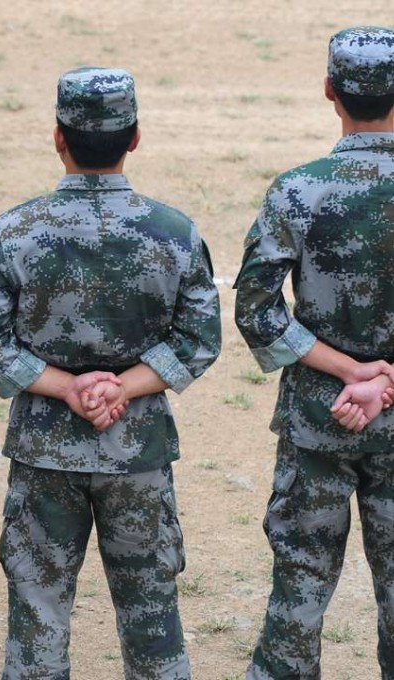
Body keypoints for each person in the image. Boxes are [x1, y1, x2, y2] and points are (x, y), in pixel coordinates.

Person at [0, 67, 221, 680]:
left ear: (59, 137)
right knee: (152, 618)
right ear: (134, 138)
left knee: (39, 616)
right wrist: (122, 386)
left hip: (44, 451)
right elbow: (200, 340)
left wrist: (66, 387)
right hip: (139, 451)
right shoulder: (175, 233)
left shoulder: (15, 231)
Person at [234, 26, 394, 680]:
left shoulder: (297, 191)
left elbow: (256, 311)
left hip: (317, 420)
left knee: (298, 596)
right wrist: (384, 382)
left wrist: (350, 371)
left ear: (331, 91)